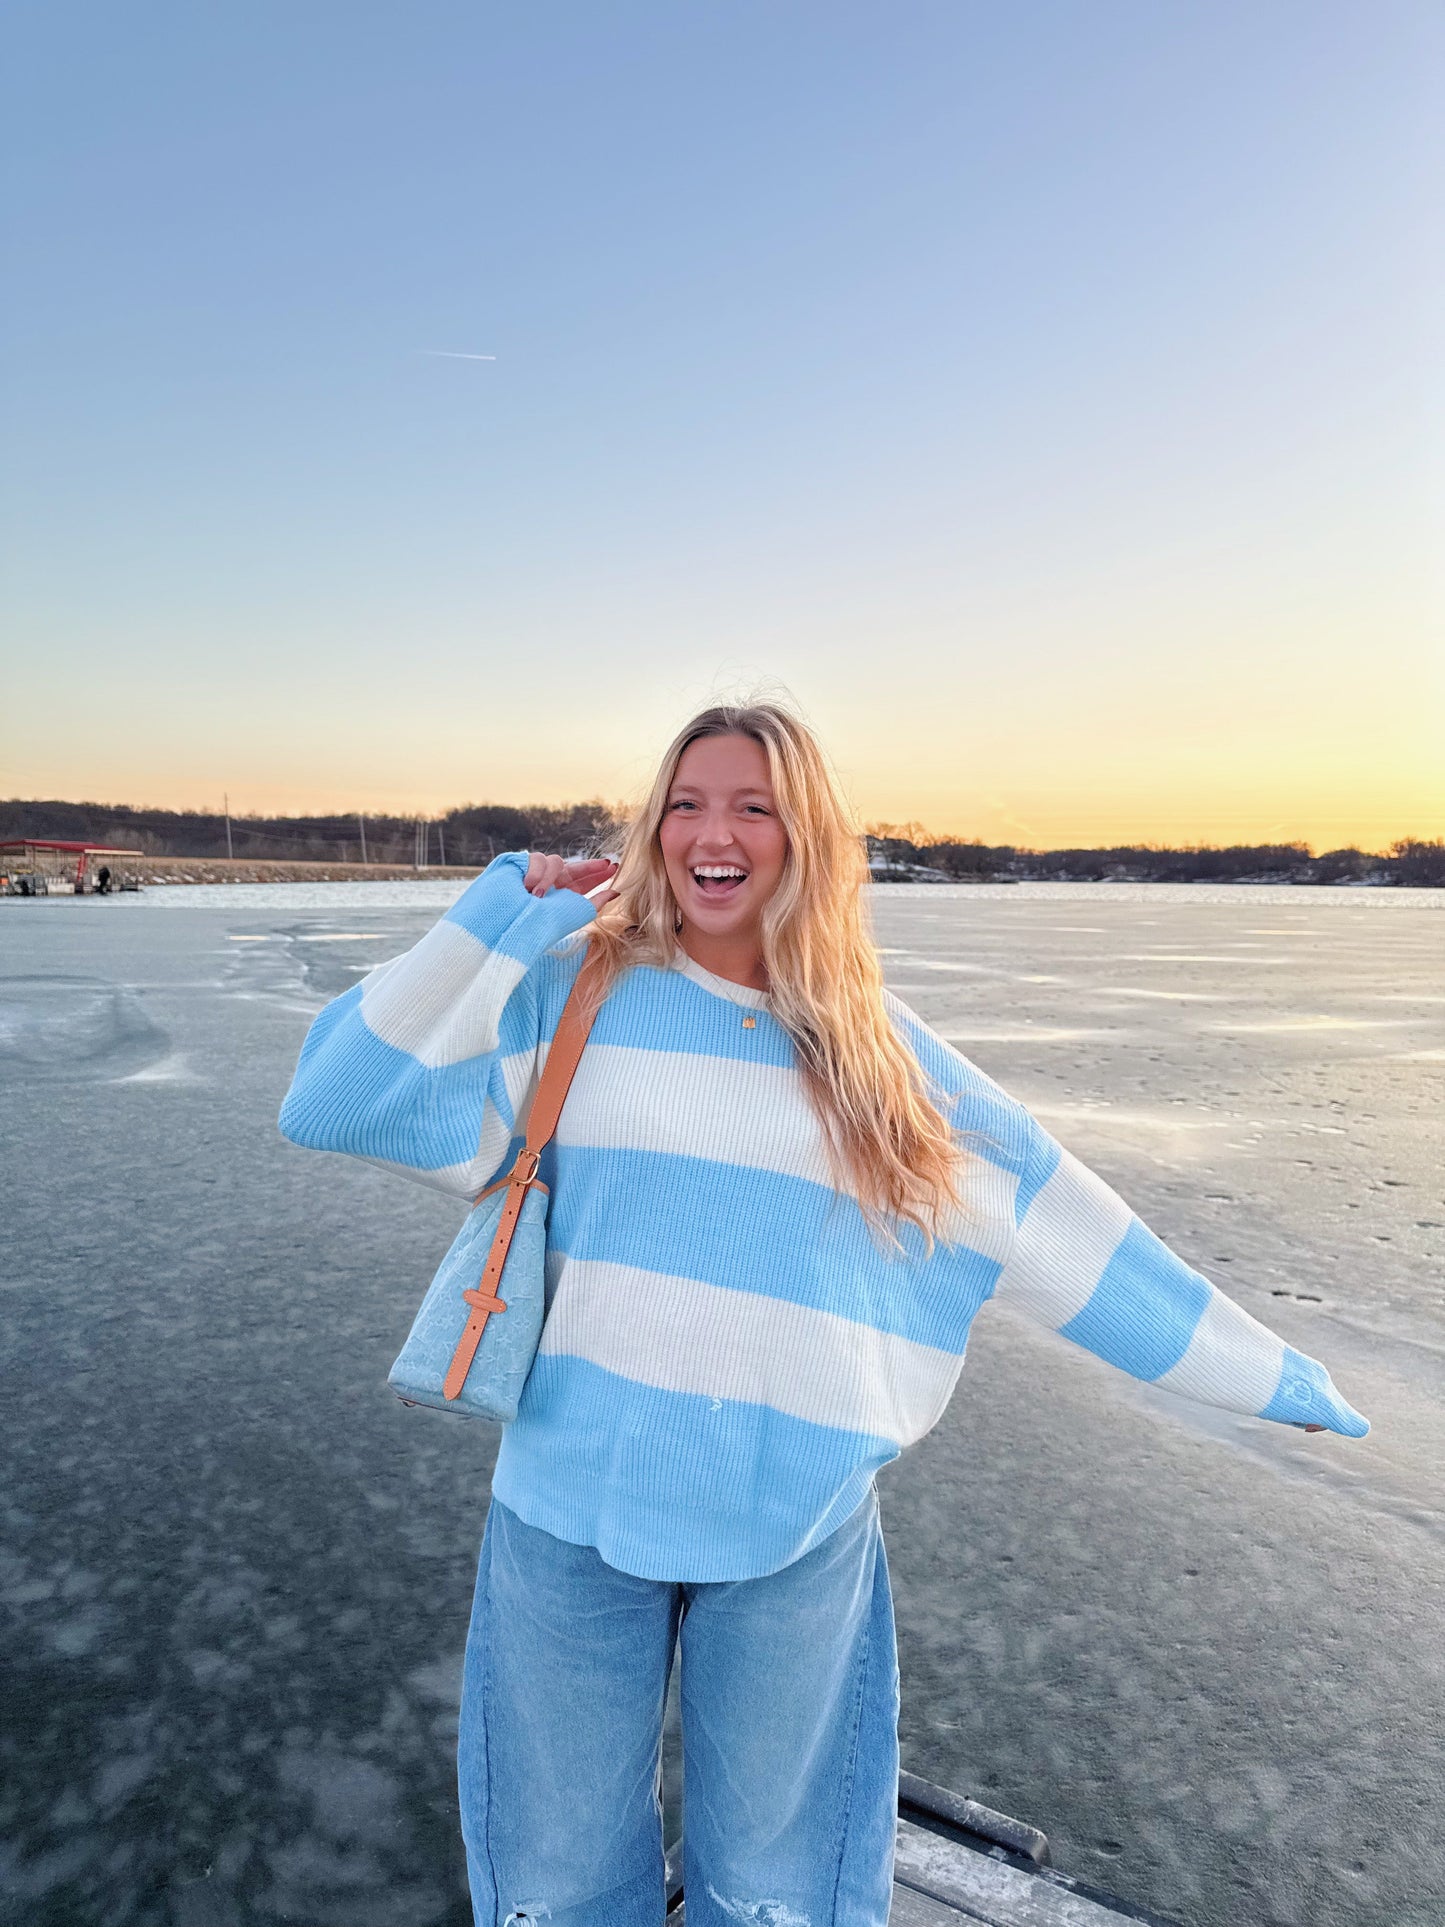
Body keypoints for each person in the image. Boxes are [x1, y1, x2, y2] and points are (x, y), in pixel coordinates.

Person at [278, 701, 1367, 1927]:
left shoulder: (874, 1057)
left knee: (777, 1891)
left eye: (754, 804)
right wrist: (494, 912)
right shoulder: (562, 996)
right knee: (557, 1882)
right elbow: (332, 1099)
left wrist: (1269, 1378)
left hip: (791, 1523)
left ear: (810, 838)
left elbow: (1065, 1233)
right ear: (651, 828)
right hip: (567, 1507)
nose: (713, 831)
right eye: (684, 802)